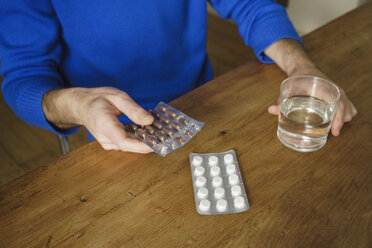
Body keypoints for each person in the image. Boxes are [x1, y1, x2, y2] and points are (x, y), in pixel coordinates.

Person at [0, 0, 356, 153]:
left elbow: (250, 4)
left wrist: (299, 66)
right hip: (107, 132)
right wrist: (78, 105)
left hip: (204, 103)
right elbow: (24, 75)